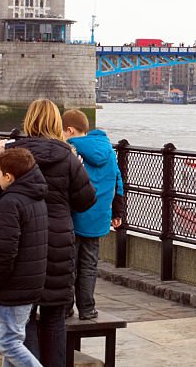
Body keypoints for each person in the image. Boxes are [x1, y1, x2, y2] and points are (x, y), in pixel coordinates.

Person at [0, 100, 96, 367]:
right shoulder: (67, 156)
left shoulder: (13, 153)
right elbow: (86, 201)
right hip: (57, 244)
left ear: (28, 121)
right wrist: (78, 169)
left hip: (24, 244)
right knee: (55, 318)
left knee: (25, 320)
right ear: (57, 123)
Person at [61, 109, 126, 321]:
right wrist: (118, 211)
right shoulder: (108, 150)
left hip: (74, 215)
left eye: (62, 131)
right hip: (99, 218)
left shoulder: (69, 148)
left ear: (69, 130)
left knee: (69, 264)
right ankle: (87, 309)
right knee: (89, 265)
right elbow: (118, 182)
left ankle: (66, 307)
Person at [0, 148, 49, 367]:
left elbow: (5, 249)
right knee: (14, 340)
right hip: (32, 281)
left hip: (14, 283)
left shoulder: (10, 202)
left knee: (8, 343)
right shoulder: (36, 197)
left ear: (8, 177)